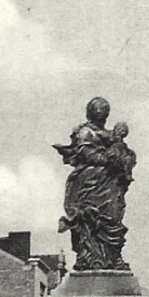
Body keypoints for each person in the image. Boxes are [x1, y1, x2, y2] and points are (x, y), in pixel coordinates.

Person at [53, 97, 136, 270]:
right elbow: (84, 152)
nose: (101, 114)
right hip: (90, 183)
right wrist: (106, 159)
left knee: (112, 218)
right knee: (90, 219)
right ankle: (88, 257)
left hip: (109, 184)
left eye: (104, 111)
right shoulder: (85, 132)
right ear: (91, 113)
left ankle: (112, 257)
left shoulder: (111, 135)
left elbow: (125, 154)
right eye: (98, 111)